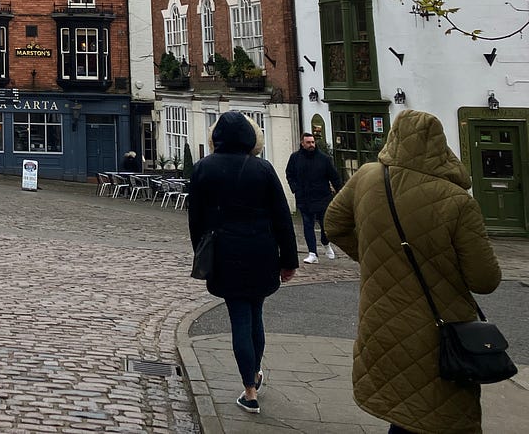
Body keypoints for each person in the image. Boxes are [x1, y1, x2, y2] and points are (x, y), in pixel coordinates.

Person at [324, 110, 502, 434]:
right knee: (440, 416)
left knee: (404, 412)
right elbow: (485, 280)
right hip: (440, 331)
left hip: (379, 322)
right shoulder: (457, 201)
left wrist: (376, 259)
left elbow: (334, 224)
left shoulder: (366, 177)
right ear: (439, 145)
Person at [188, 111, 298, 417]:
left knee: (240, 318)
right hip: (261, 251)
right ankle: (254, 375)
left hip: (225, 253)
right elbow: (282, 219)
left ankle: (250, 390)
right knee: (255, 313)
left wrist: (201, 252)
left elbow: (195, 220)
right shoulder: (262, 169)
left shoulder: (203, 169)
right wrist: (289, 261)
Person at [286, 131, 343, 263]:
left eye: (312, 142)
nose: (311, 144)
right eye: (308, 142)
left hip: (322, 197)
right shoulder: (295, 158)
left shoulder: (323, 159)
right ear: (302, 143)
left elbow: (334, 177)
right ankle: (313, 253)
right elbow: (289, 174)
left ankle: (325, 242)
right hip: (304, 198)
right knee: (307, 224)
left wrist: (341, 192)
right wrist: (295, 189)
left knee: (325, 225)